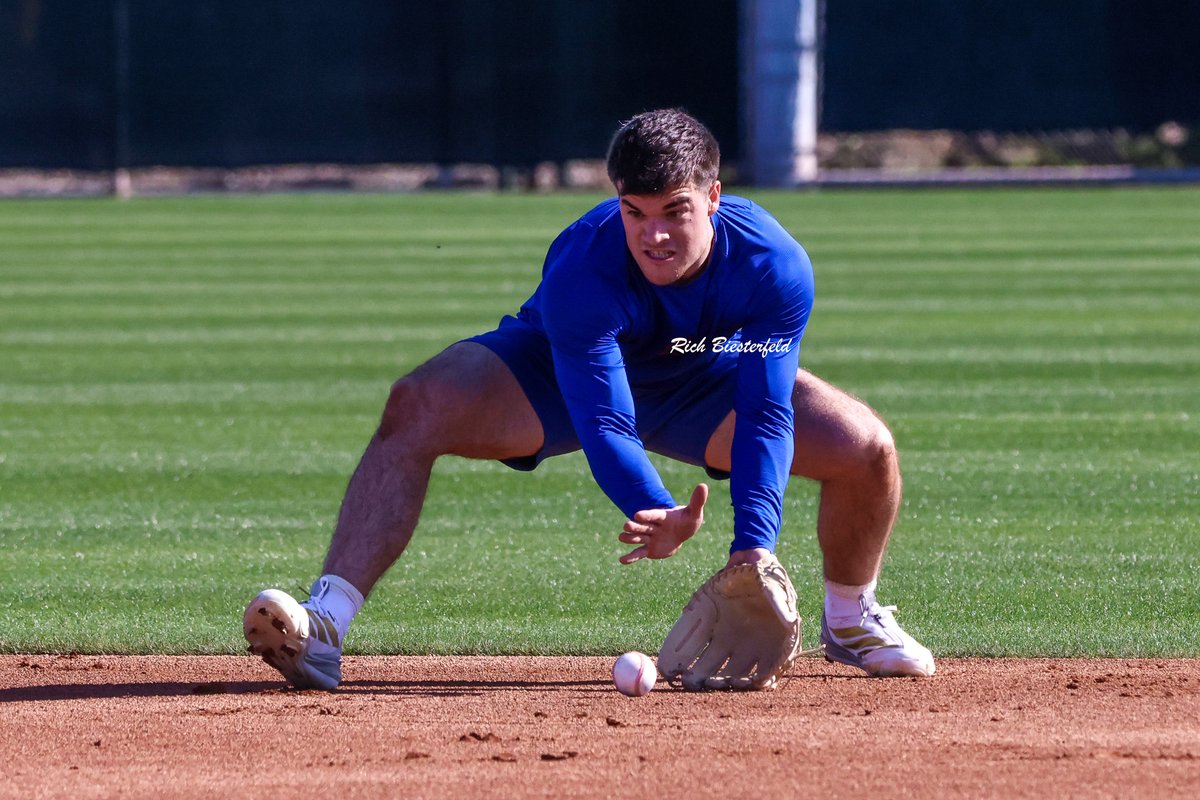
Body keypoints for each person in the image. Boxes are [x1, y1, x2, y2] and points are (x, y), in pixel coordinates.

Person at [243, 108, 935, 690]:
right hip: (559, 373)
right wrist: (654, 505)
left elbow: (764, 411)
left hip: (699, 376)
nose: (653, 235)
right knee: (418, 403)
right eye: (635, 212)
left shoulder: (772, 266)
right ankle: (325, 624)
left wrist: (753, 550)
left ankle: (851, 619)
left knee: (864, 446)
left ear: (714, 198)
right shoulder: (585, 265)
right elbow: (603, 416)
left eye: (675, 211)